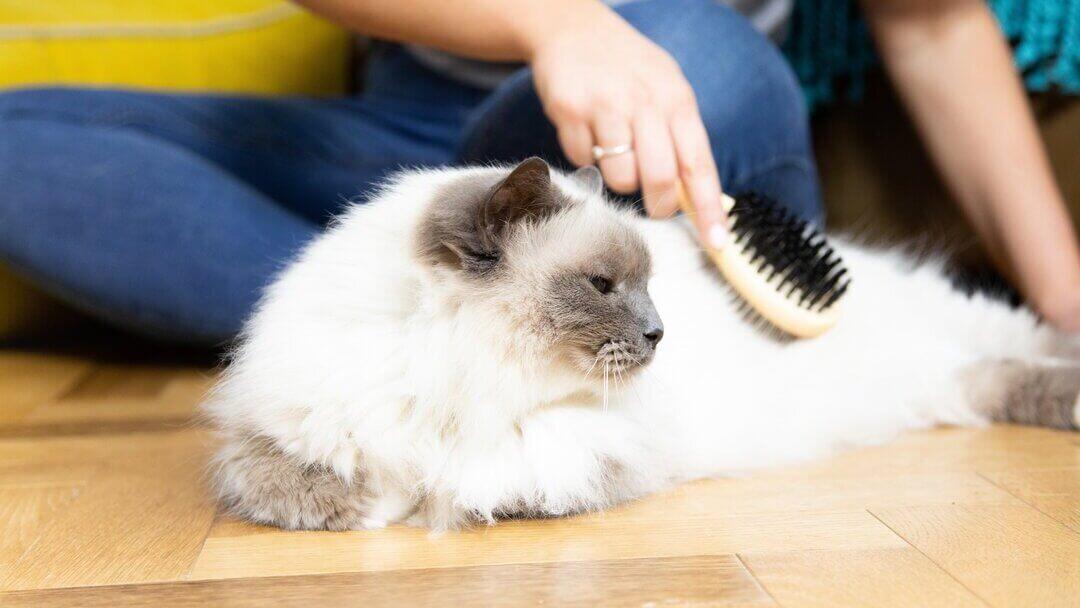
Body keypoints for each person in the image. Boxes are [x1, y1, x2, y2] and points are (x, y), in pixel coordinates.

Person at [0, 0, 1076, 344]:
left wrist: (1066, 298)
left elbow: (934, 24)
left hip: (687, 128)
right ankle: (446, 297)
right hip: (427, 149)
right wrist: (552, 22)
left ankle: (473, 305)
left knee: (695, 50)